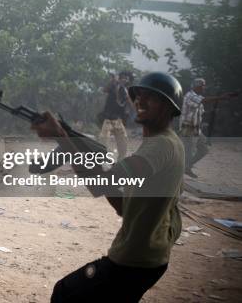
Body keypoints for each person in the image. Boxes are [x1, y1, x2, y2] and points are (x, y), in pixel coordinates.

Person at [32, 72, 184, 303]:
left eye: (151, 97)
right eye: (139, 96)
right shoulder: (168, 141)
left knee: (65, 292)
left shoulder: (161, 145)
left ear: (168, 108)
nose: (140, 101)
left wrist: (63, 138)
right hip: (149, 258)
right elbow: (122, 205)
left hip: (133, 260)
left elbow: (105, 180)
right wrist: (71, 145)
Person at [179, 78, 236, 178]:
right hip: (188, 127)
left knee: (204, 149)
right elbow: (204, 100)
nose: (204, 88)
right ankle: (183, 169)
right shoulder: (190, 95)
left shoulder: (198, 97)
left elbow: (201, 110)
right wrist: (221, 98)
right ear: (197, 86)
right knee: (189, 150)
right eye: (202, 86)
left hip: (196, 128)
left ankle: (186, 166)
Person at [99, 71, 133, 160]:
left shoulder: (126, 90)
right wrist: (113, 81)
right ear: (120, 78)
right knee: (103, 140)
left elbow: (129, 103)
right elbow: (105, 90)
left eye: (126, 78)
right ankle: (102, 160)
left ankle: (120, 163)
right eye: (123, 78)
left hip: (118, 120)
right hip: (108, 119)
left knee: (123, 143)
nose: (124, 80)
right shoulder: (113, 86)